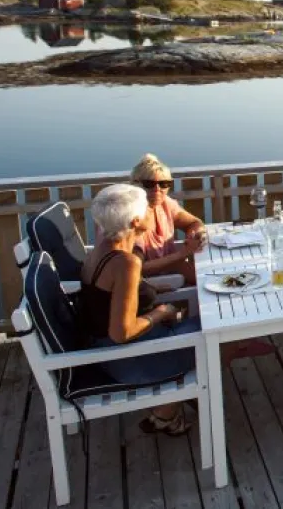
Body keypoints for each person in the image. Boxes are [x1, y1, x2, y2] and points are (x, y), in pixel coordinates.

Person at [78, 184, 201, 435]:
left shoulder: (101, 251)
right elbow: (121, 333)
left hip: (104, 349)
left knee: (203, 323)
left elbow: (107, 299)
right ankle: (167, 411)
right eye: (147, 209)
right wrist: (161, 313)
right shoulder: (126, 263)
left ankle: (178, 399)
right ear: (136, 221)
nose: (151, 211)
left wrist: (152, 292)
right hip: (127, 359)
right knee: (221, 338)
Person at [125, 154, 208, 286]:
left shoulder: (165, 204)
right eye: (149, 184)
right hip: (147, 282)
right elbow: (137, 268)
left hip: (172, 268)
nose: (157, 189)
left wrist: (195, 235)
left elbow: (194, 222)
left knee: (215, 279)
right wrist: (183, 253)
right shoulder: (132, 217)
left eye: (164, 184)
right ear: (135, 185)